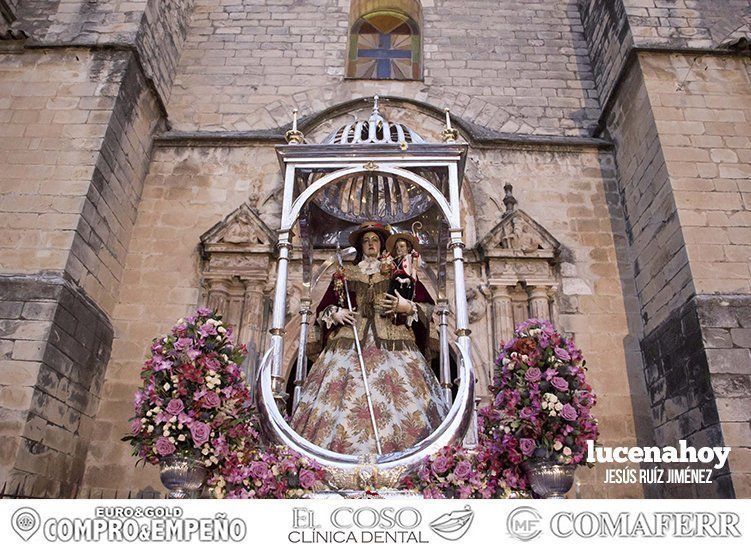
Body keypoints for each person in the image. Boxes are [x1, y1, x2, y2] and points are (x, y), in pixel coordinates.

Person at [290, 222, 449, 455]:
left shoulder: (399, 272)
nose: (371, 244)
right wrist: (336, 312)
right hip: (349, 339)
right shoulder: (345, 274)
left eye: (375, 240)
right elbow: (325, 306)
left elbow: (424, 306)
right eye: (366, 240)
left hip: (394, 339)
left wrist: (406, 307)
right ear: (360, 246)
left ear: (382, 245)